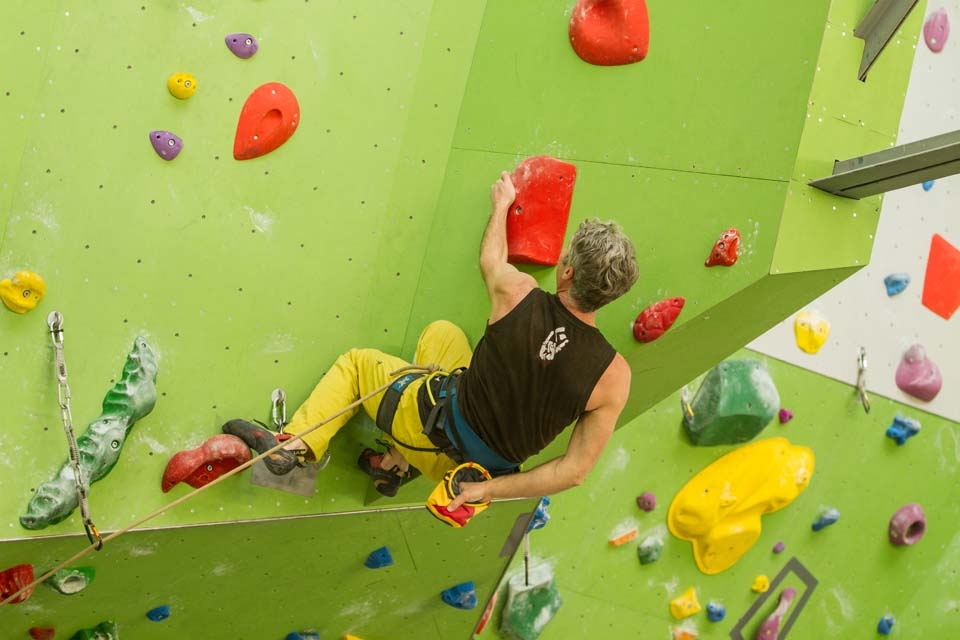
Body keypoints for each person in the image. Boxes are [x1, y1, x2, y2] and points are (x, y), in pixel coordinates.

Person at [225, 171, 638, 509]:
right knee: (443, 336)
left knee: (355, 365)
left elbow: (491, 258)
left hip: (425, 427)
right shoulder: (614, 377)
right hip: (467, 477)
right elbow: (573, 472)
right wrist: (488, 490)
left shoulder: (518, 294)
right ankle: (393, 464)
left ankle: (295, 447)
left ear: (567, 272)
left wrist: (501, 204)